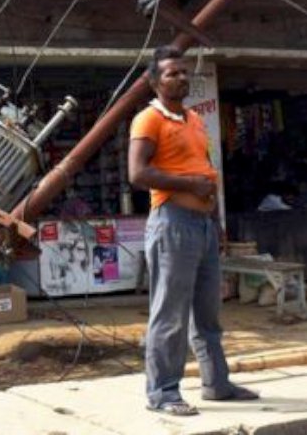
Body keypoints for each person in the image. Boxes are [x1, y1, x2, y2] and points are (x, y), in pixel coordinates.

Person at [129, 46, 257, 416]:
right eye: (172, 73)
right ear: (154, 81)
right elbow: (137, 173)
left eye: (184, 72)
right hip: (172, 223)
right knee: (170, 313)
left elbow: (205, 170)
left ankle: (217, 384)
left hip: (202, 226)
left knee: (207, 311)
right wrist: (189, 185)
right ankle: (163, 393)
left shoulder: (195, 119)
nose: (181, 77)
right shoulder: (148, 119)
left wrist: (215, 222)